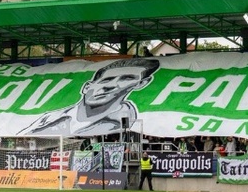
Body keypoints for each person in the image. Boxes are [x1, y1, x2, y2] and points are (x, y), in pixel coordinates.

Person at [21, 57, 160, 137]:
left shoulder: (124, 124)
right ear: (86, 87)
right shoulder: (50, 118)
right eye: (106, 80)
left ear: (141, 84)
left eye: (127, 78)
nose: (111, 85)